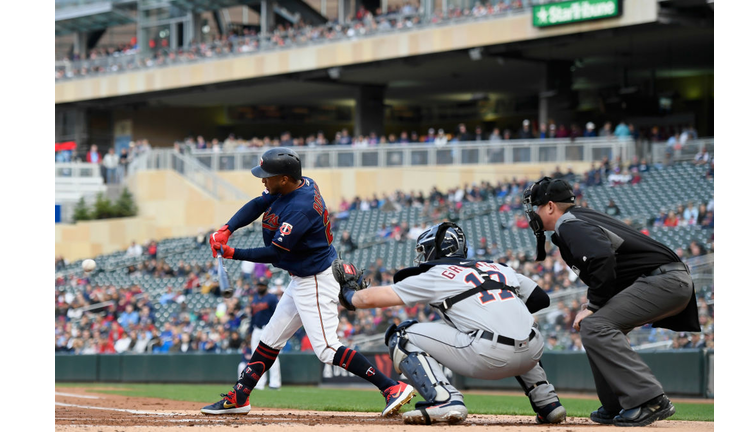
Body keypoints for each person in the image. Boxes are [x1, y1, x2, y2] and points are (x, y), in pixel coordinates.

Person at [201, 147, 415, 416]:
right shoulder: (297, 184)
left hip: (314, 279)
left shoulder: (300, 208)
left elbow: (275, 253)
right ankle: (240, 396)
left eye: (268, 176)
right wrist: (227, 229)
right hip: (302, 276)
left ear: (285, 178)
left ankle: (391, 388)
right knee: (269, 340)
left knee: (326, 349)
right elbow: (258, 203)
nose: (263, 180)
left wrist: (233, 253)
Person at [334, 222, 566, 425]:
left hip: (488, 356)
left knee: (402, 335)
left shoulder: (436, 274)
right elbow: (540, 299)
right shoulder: (499, 267)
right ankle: (548, 403)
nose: (422, 257)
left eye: (424, 251)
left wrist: (348, 294)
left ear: (434, 250)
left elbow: (371, 299)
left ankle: (445, 399)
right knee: (520, 329)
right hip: (533, 351)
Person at [522, 177, 700, 427]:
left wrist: (594, 305)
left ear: (550, 206)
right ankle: (617, 403)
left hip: (664, 280)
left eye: (537, 208)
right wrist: (593, 305)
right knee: (594, 325)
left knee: (596, 325)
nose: (533, 215)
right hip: (662, 279)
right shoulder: (579, 218)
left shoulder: (570, 223)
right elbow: (612, 264)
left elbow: (601, 257)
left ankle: (649, 399)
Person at [247, 277, 281, 390]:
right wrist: (250, 331)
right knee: (255, 356)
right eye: (259, 285)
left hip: (268, 328)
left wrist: (275, 329)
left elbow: (277, 314)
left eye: (262, 285)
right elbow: (252, 316)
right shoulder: (255, 298)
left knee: (272, 356)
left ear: (266, 286)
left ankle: (275, 383)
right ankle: (259, 383)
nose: (260, 287)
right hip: (256, 329)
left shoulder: (272, 298)